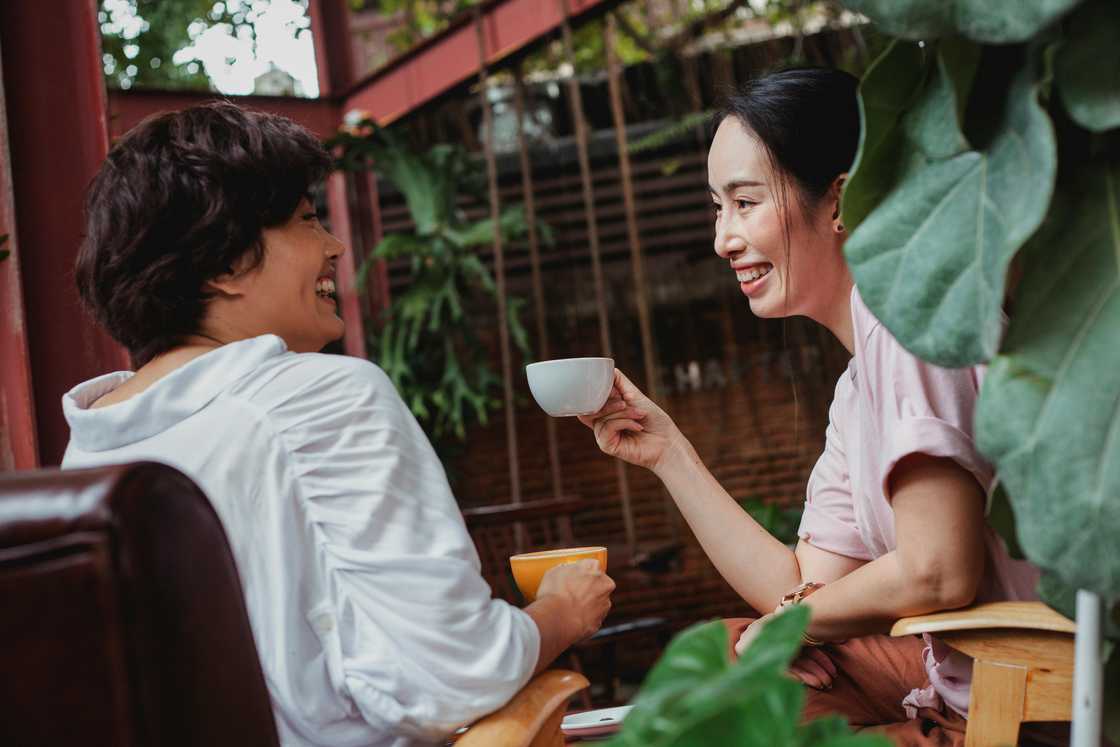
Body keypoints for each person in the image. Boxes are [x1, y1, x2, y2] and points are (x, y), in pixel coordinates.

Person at [61, 101, 614, 747]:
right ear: (226, 264)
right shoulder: (319, 397)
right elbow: (452, 673)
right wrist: (560, 611)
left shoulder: (90, 452)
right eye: (305, 220)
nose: (334, 246)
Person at [579, 68, 1039, 744]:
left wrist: (792, 622)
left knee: (739, 690)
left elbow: (938, 567)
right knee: (732, 654)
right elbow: (801, 583)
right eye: (717, 206)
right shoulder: (862, 382)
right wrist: (668, 451)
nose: (723, 238)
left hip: (1032, 697)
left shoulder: (911, 325)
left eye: (745, 202)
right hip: (965, 681)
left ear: (838, 201)